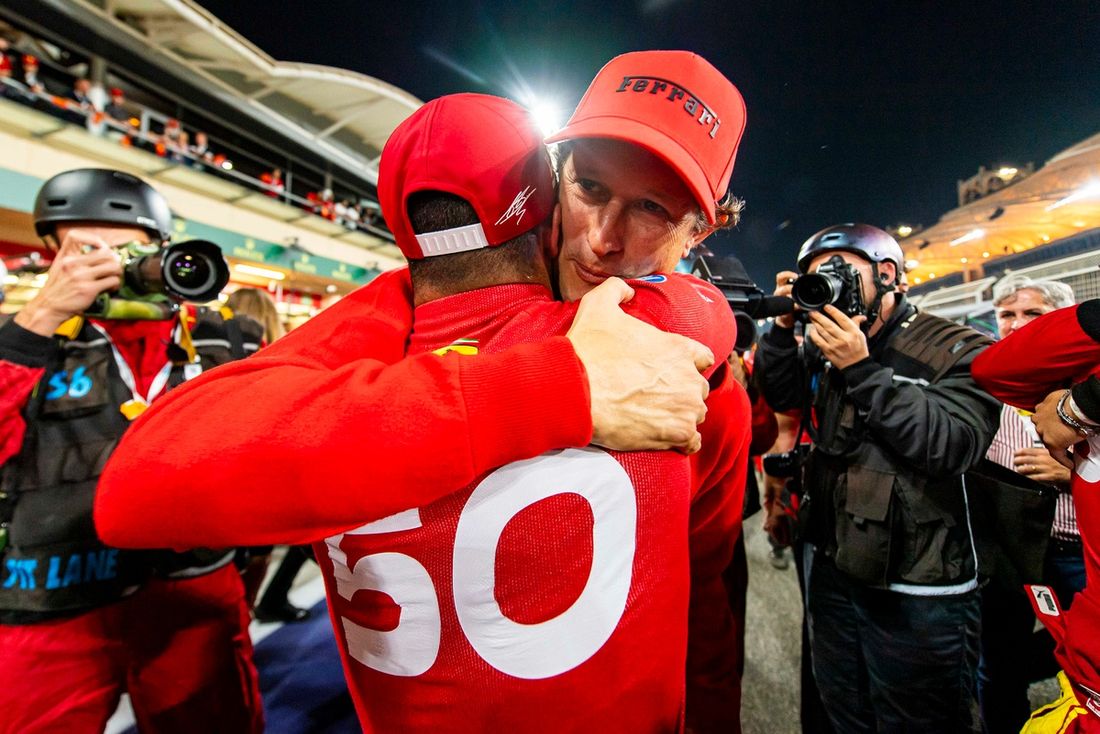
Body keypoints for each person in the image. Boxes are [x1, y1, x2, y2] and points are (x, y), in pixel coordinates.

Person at [312, 91, 739, 731]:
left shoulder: (701, 383)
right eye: (590, 187)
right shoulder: (376, 348)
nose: (603, 240)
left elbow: (705, 597)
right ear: (551, 185)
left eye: (652, 208)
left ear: (698, 232)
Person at [0, 168, 264, 732]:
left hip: (191, 589)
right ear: (54, 256)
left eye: (128, 253)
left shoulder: (222, 338)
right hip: (54, 596)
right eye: (88, 251)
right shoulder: (23, 338)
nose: (112, 268)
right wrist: (39, 318)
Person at [755, 223, 999, 732]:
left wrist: (862, 371)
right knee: (844, 710)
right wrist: (781, 330)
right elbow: (783, 396)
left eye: (840, 273)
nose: (828, 287)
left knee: (920, 722)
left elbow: (948, 446)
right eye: (815, 278)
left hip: (917, 586)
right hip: (835, 564)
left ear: (887, 274)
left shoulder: (958, 347)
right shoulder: (824, 345)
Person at [972, 300, 1100, 733]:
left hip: (1075, 548)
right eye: (1007, 314)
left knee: (1080, 654)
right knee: (998, 663)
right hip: (1013, 547)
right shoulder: (997, 388)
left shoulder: (1086, 380)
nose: (1018, 323)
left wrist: (1070, 474)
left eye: (1033, 313)